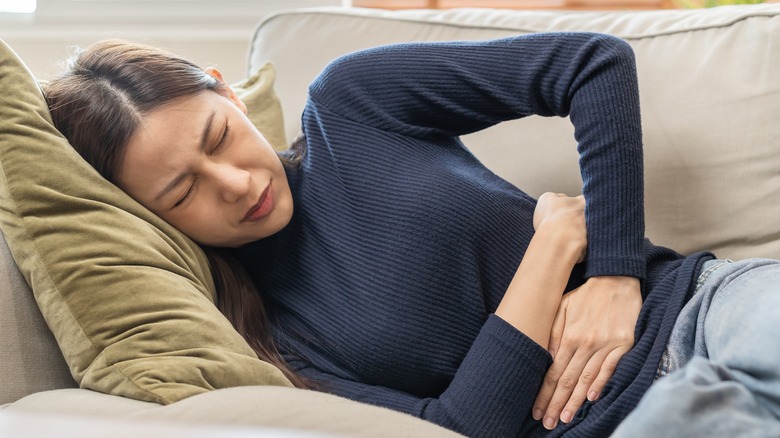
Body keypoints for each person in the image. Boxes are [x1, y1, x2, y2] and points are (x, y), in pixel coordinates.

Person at [42, 34, 780, 438]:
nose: (233, 183)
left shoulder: (352, 104)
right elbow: (460, 427)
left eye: (219, 135)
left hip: (701, 310)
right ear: (151, 219)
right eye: (183, 191)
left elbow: (591, 65)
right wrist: (552, 251)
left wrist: (615, 274)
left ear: (226, 89)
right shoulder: (270, 338)